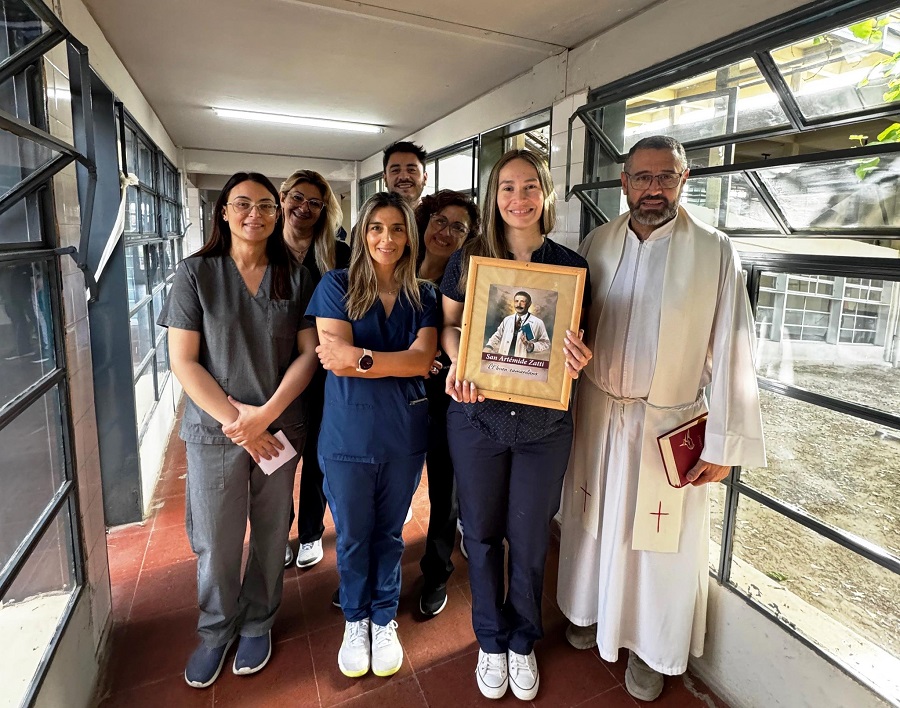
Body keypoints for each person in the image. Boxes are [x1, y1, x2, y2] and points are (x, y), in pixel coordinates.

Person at [556, 135, 766, 702]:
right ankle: (587, 611)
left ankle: (650, 649)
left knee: (657, 545)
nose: (654, 189)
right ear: (624, 183)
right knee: (594, 523)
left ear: (684, 180)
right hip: (599, 414)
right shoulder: (596, 243)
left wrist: (724, 444)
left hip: (667, 427)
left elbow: (735, 348)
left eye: (666, 177)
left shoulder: (714, 252)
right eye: (643, 177)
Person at [440, 150, 592, 701]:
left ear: (545, 194)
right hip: (476, 416)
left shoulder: (571, 268)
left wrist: (578, 357)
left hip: (543, 427)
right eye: (507, 187)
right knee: (480, 532)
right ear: (493, 195)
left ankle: (523, 639)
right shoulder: (469, 260)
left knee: (529, 537)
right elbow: (450, 326)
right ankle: (490, 638)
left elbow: (572, 342)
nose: (519, 198)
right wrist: (460, 363)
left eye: (530, 187)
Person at [159, 172, 318, 688]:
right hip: (216, 433)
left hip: (279, 427)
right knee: (216, 538)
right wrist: (241, 424)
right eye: (243, 203)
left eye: (267, 205)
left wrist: (264, 416)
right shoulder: (195, 274)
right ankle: (215, 630)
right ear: (223, 212)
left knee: (271, 532)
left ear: (278, 213)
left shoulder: (295, 276)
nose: (256, 214)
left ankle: (257, 622)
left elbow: (308, 355)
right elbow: (183, 361)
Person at [306, 191, 438, 678]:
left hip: (403, 435)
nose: (387, 238)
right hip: (348, 436)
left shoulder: (424, 294)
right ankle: (355, 619)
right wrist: (394, 363)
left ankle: (383, 618)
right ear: (363, 232)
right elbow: (333, 357)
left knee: (389, 533)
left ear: (410, 236)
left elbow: (422, 360)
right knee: (353, 535)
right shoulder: (336, 285)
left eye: (398, 228)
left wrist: (361, 358)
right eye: (377, 227)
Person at [279, 169, 351, 570]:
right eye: (297, 197)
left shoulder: (338, 254)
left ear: (325, 210)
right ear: (283, 198)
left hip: (326, 370)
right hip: (275, 369)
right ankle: (278, 532)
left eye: (315, 203)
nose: (304, 208)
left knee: (318, 454)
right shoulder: (264, 248)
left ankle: (309, 532)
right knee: (279, 456)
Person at [412, 189, 480, 617]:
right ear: (424, 222)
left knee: (444, 491)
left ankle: (437, 572)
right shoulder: (394, 267)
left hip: (446, 399)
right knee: (388, 492)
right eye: (440, 221)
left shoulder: (468, 284)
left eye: (459, 227)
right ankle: (371, 573)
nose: (447, 232)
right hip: (394, 398)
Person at [482, 290, 550, 358]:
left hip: (522, 361)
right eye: (516, 301)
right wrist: (489, 346)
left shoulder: (538, 323)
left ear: (529, 304)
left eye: (522, 301)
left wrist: (531, 346)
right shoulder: (507, 320)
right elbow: (497, 335)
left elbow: (545, 343)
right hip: (503, 359)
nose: (518, 304)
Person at [383, 141, 428, 207]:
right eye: (395, 170)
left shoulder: (439, 212)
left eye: (411, 170)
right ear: (385, 179)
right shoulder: (373, 213)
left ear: (425, 178)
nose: (404, 177)